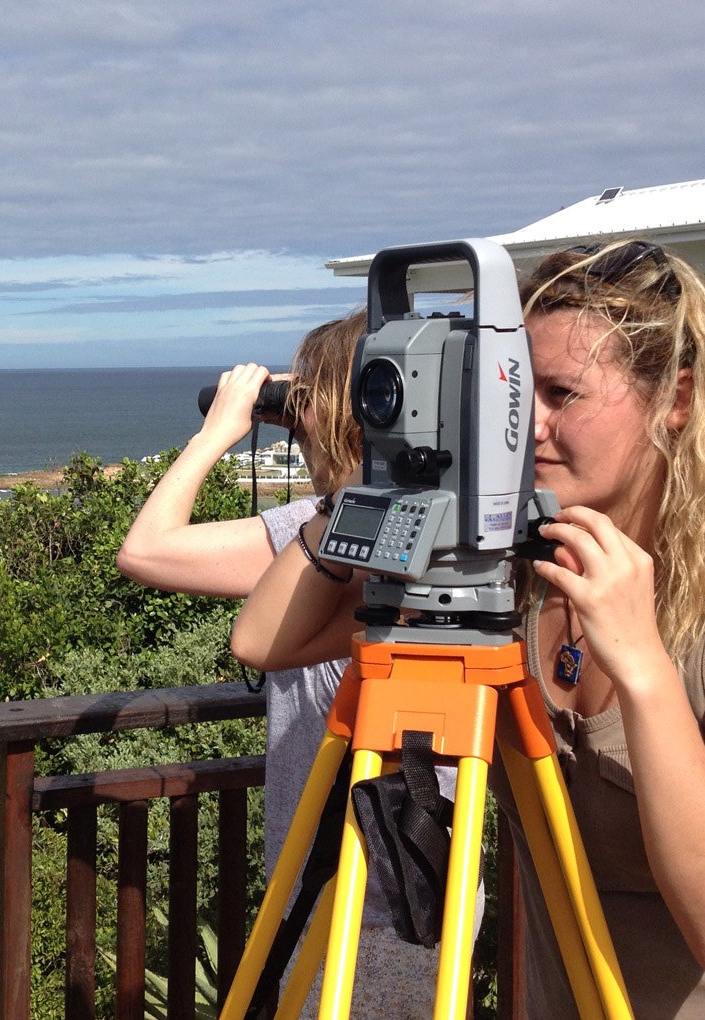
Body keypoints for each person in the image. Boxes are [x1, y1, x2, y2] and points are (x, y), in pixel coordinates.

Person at [229, 240, 705, 1017]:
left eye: (564, 394)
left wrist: (642, 668)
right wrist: (375, 488)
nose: (528, 425)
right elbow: (266, 642)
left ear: (678, 399)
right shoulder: (511, 571)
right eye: (518, 390)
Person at [116, 309, 447, 1018]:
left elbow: (160, 560)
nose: (294, 418)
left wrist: (215, 435)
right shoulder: (310, 530)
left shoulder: (378, 538)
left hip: (390, 886)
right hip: (317, 872)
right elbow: (143, 553)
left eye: (309, 395)